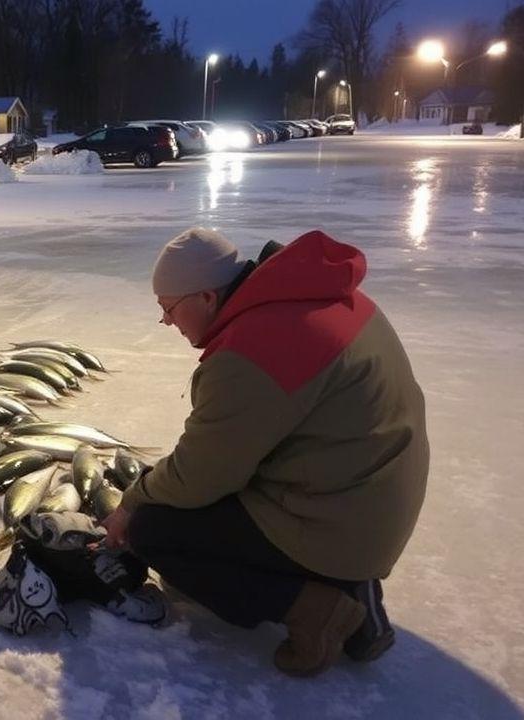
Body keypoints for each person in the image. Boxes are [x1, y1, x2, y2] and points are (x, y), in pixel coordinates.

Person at [101, 227, 428, 678]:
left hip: (340, 519)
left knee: (155, 530)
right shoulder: (313, 295)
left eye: (168, 309)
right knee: (188, 499)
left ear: (207, 298)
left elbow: (201, 477)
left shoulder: (252, 350)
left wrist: (133, 500)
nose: (168, 323)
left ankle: (320, 609)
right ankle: (352, 584)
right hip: (371, 496)